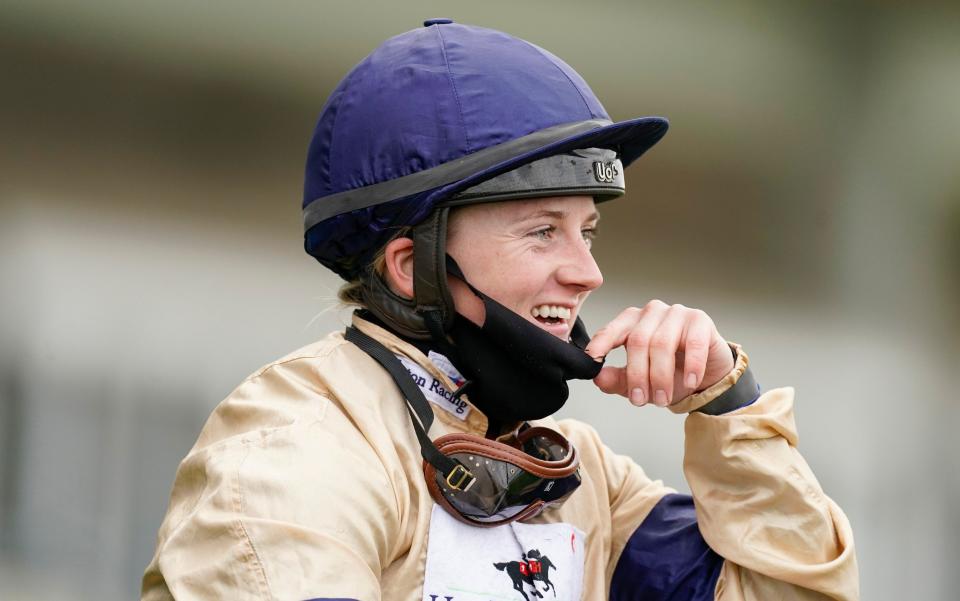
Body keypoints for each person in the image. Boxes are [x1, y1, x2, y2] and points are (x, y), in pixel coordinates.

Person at [142, 19, 858, 601]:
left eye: (588, 231)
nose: (587, 272)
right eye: (543, 231)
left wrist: (729, 408)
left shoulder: (589, 484)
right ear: (408, 264)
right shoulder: (296, 449)